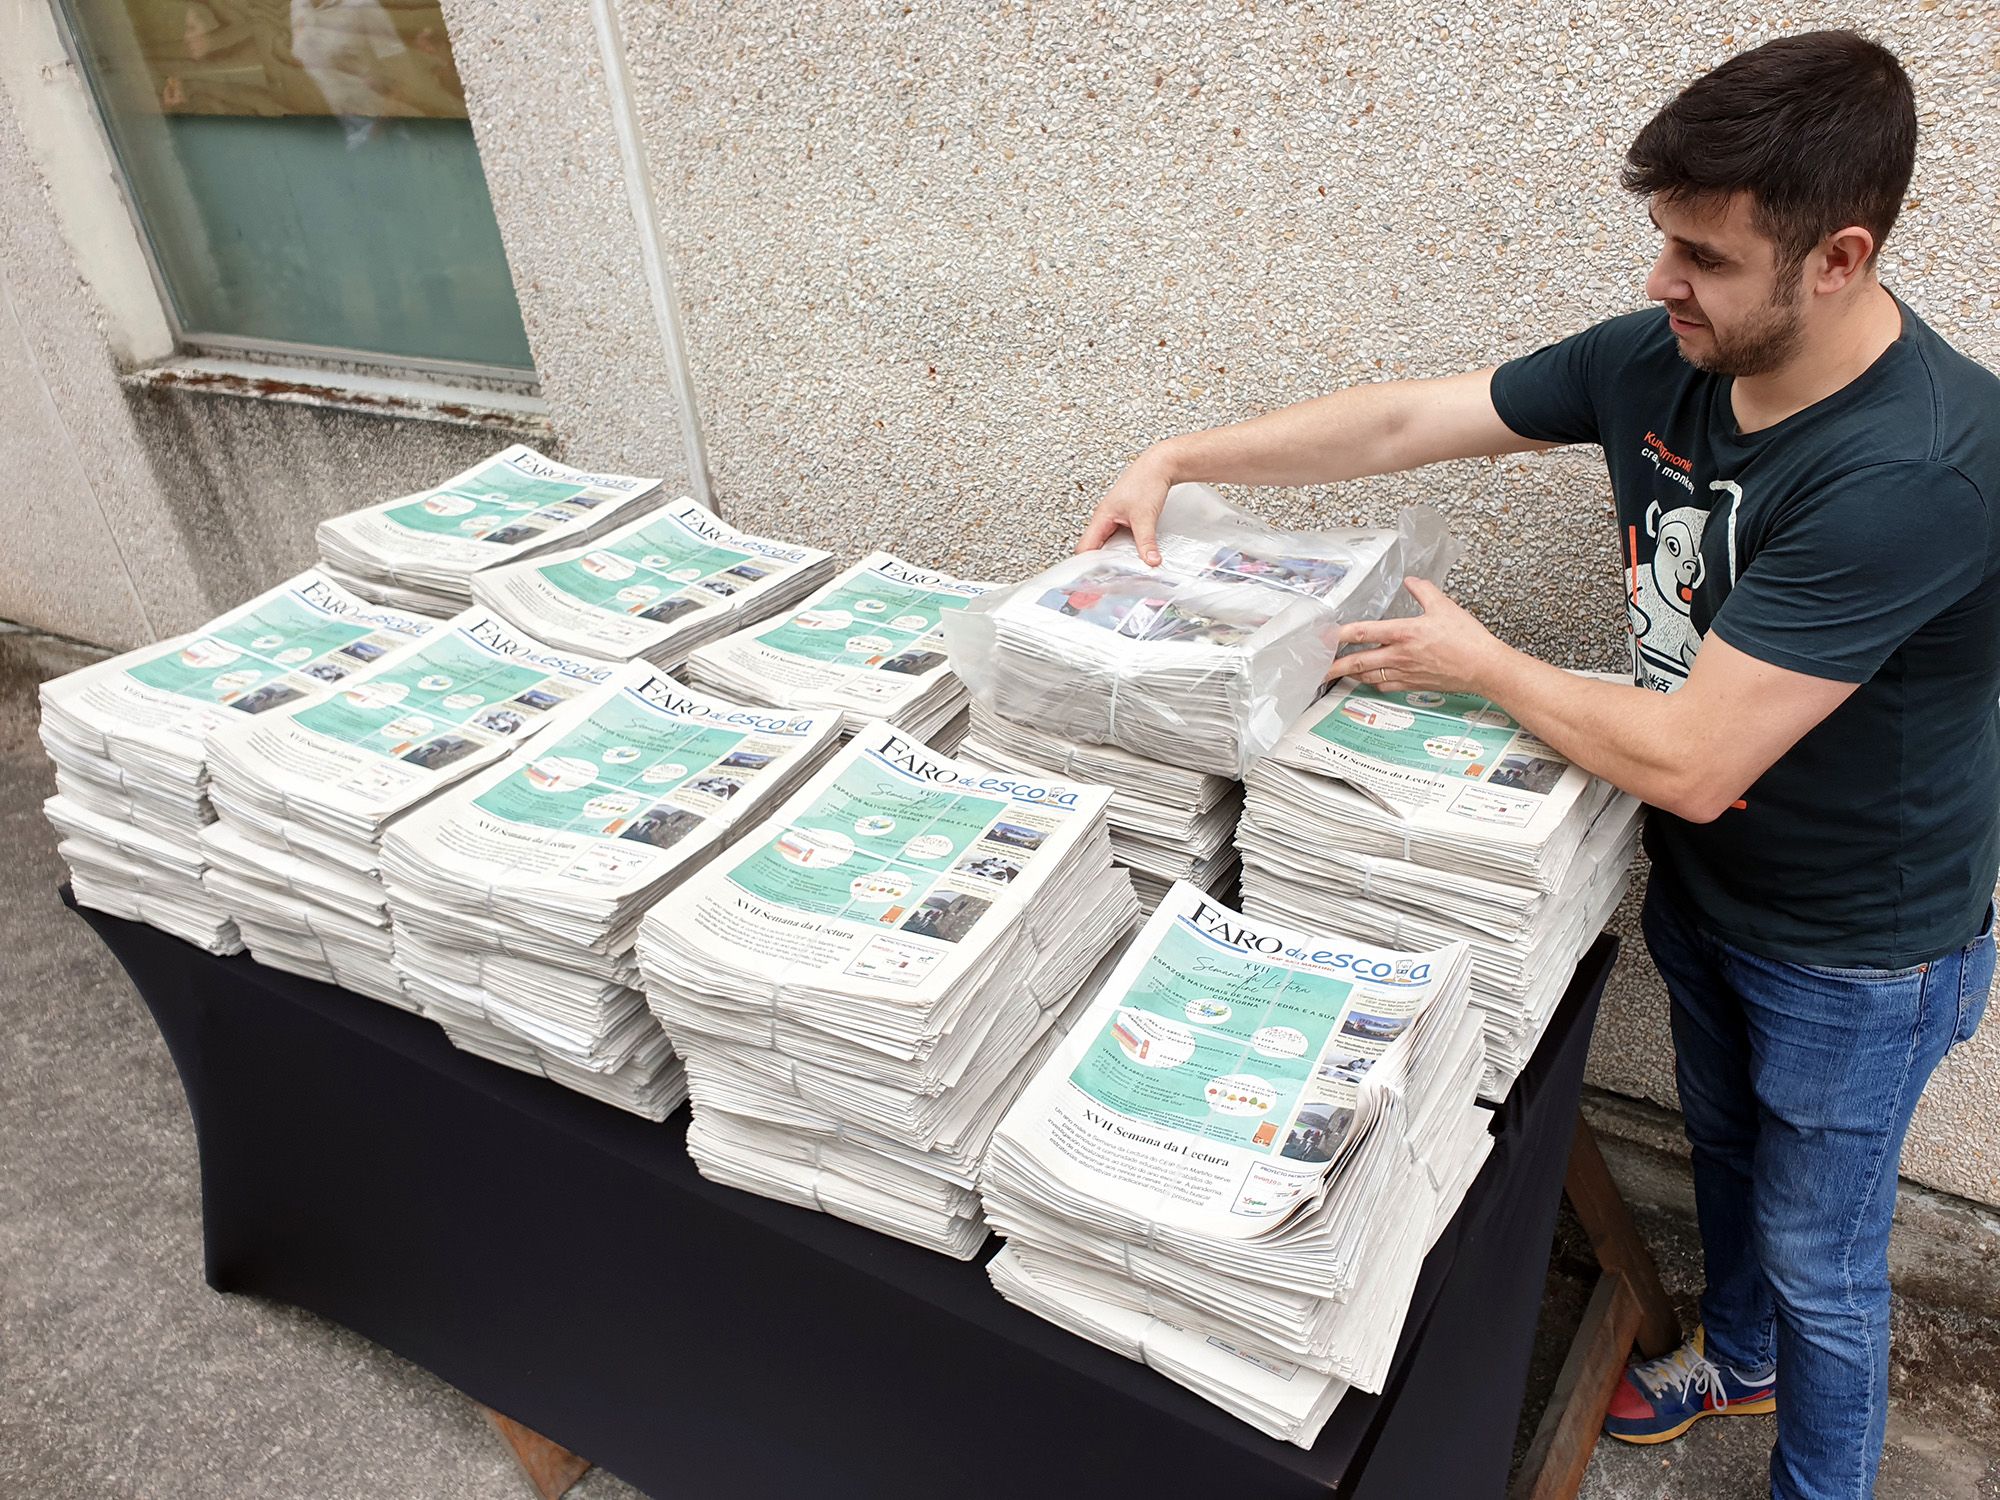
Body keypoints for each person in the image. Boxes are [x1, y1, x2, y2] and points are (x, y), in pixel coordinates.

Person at [1077, 31, 1997, 1500]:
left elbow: (1695, 758)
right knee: (1726, 1159)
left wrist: (1488, 666)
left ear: (1837, 258)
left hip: (1859, 949)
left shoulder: (1916, 471)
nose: (1660, 284)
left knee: (1829, 1262)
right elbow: (1408, 419)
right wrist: (1184, 456)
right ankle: (1738, 1356)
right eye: (1663, 242)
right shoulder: (1667, 361)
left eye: (1701, 254)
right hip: (1709, 883)